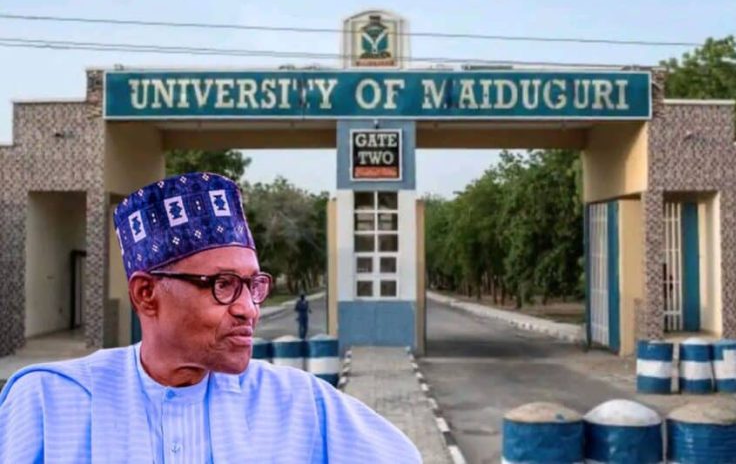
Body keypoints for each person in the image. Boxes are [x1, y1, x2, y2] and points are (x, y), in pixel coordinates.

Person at [0, 172, 421, 463]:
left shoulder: (298, 404)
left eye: (253, 285)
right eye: (223, 284)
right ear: (146, 294)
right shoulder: (52, 402)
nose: (248, 308)